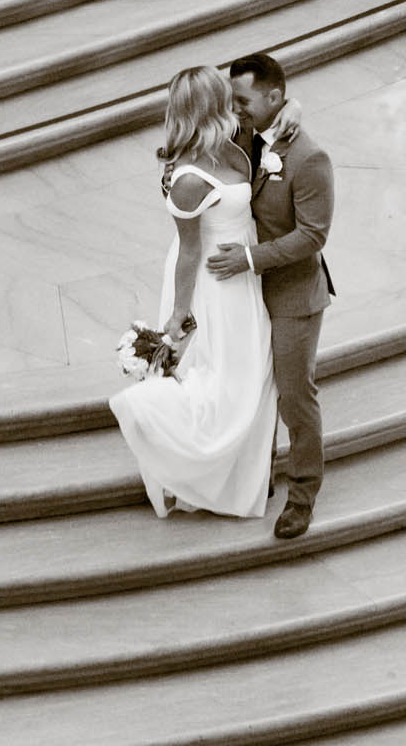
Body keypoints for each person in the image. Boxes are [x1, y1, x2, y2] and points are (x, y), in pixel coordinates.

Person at [109, 65, 290, 519]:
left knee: (251, 374)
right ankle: (180, 453)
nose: (234, 102)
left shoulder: (233, 149)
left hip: (242, 276)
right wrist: (178, 316)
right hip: (210, 283)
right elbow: (190, 252)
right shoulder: (187, 179)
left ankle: (235, 473)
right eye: (225, 97)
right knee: (221, 376)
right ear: (208, 107)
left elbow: (281, 114)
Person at [207, 52, 335, 540]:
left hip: (293, 295)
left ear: (274, 97)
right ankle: (255, 477)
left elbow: (312, 237)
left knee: (295, 397)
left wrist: (250, 258)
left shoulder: (309, 158)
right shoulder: (241, 135)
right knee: (251, 390)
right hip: (242, 295)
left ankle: (302, 496)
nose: (233, 108)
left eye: (242, 99)